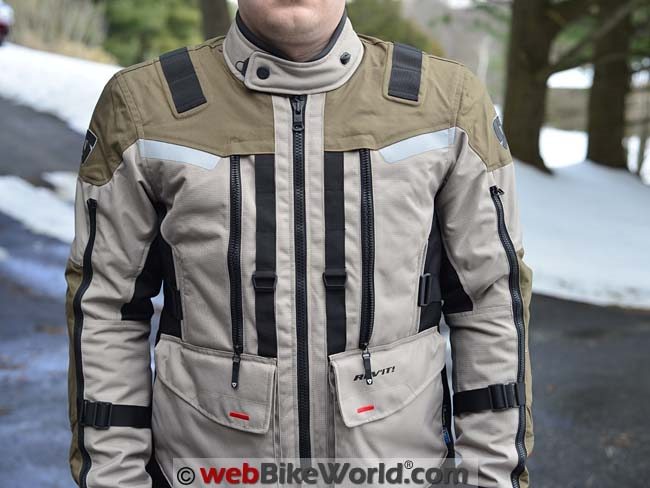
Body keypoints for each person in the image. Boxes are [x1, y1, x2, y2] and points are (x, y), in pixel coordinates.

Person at [65, 0, 534, 487]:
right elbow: (108, 307)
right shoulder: (144, 107)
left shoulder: (447, 103)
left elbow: (491, 301)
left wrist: (490, 477)